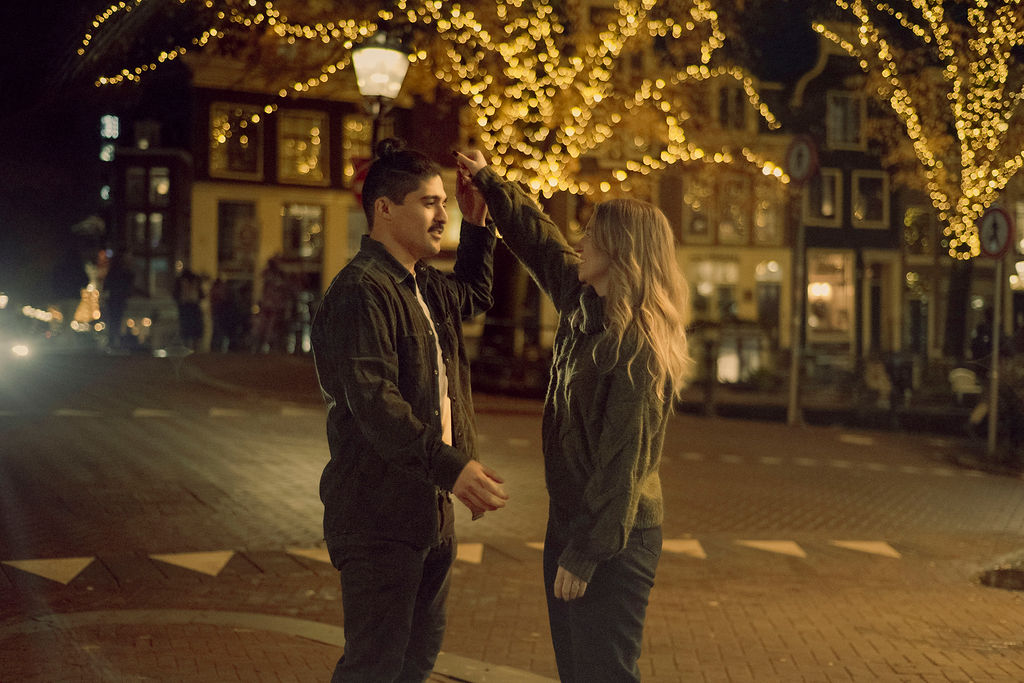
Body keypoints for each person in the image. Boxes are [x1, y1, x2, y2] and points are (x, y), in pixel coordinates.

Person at [456, 149, 694, 682]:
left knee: (603, 674)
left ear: (621, 252)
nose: (580, 242)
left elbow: (621, 466)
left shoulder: (637, 349)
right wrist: (491, 184)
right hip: (572, 524)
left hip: (614, 538)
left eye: (591, 235)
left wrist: (586, 553)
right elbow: (540, 242)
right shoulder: (582, 303)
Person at [311, 138, 509, 682]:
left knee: (414, 663)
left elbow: (475, 295)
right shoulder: (362, 291)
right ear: (384, 209)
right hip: (377, 516)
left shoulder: (423, 285)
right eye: (428, 202)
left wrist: (478, 220)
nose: (442, 214)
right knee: (374, 667)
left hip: (429, 512)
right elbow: (376, 404)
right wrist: (455, 468)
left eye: (444, 202)